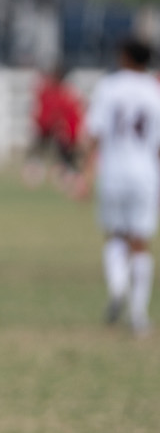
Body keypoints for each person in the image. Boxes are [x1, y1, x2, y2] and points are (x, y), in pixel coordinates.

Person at [79, 35, 160, 337]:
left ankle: (117, 287)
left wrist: (86, 172)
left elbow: (94, 134)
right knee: (140, 242)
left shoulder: (109, 87)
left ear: (125, 56)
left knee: (115, 234)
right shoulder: (155, 90)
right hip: (145, 172)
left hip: (113, 171)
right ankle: (138, 315)